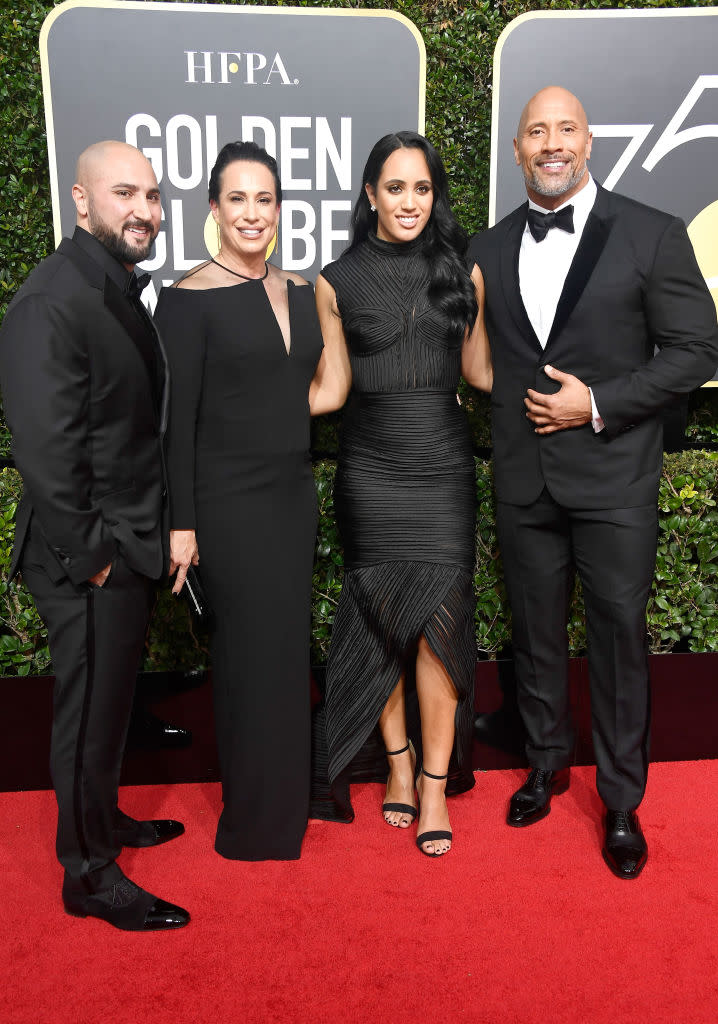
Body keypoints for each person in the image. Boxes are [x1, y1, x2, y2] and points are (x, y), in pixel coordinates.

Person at [468, 86, 718, 878]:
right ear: (517, 150)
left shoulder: (650, 234)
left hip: (614, 481)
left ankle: (620, 801)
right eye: (535, 130)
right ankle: (544, 765)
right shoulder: (488, 246)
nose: (550, 142)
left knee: (617, 642)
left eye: (564, 129)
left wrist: (599, 403)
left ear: (588, 142)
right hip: (525, 482)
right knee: (535, 636)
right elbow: (482, 361)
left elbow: (696, 352)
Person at [0, 141, 189, 929]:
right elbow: (44, 447)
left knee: (108, 709)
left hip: (123, 544)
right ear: (80, 202)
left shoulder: (105, 284)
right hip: (86, 557)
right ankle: (88, 875)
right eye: (124, 194)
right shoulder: (55, 297)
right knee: (86, 718)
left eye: (151, 195)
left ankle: (100, 822)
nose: (143, 209)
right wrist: (96, 560)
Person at [309, 131, 492, 857]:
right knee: (383, 620)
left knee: (439, 629)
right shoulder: (336, 280)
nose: (409, 201)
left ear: (433, 195)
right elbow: (333, 389)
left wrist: (593, 396)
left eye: (422, 188)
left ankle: (438, 787)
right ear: (370, 194)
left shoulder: (463, 269)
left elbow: (480, 374)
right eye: (395, 187)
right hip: (371, 470)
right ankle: (398, 767)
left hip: (442, 468)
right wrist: (239, 406)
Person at [155, 141, 323, 861]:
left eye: (265, 200)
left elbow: (308, 392)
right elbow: (175, 427)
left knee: (285, 655)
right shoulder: (187, 300)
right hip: (228, 506)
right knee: (248, 660)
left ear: (279, 209)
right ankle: (253, 823)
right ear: (215, 211)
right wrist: (183, 525)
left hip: (292, 499)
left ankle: (290, 801)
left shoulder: (302, 287)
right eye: (238, 200)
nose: (252, 213)